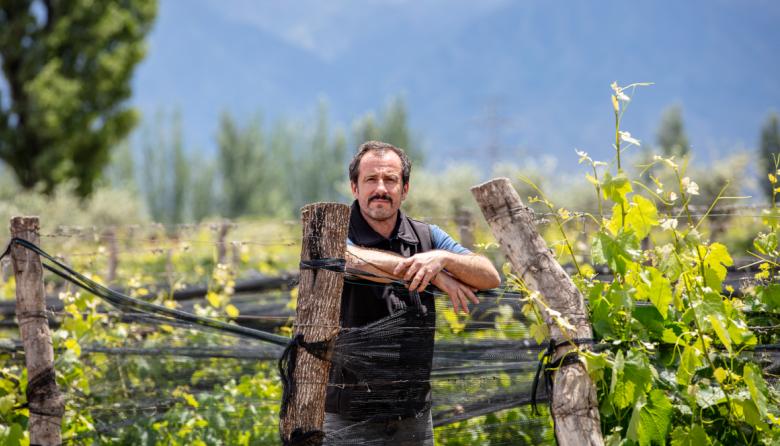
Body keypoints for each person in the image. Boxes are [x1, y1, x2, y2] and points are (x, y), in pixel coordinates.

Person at [324, 141, 500, 445]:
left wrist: (442, 260)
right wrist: (433, 276)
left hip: (413, 418)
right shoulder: (335, 232)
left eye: (390, 180)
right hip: (348, 418)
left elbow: (489, 276)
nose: (381, 188)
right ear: (354, 187)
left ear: (404, 189)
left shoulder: (427, 236)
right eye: (371, 180)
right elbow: (349, 260)